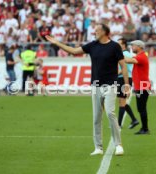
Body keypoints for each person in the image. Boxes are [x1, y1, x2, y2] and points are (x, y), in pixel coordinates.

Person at [45, 23, 130, 156]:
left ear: (104, 32)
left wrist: (126, 85)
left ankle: (118, 144)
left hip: (111, 85)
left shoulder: (115, 46)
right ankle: (98, 147)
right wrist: (57, 43)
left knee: (110, 113)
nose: (94, 32)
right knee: (96, 117)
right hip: (95, 86)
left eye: (96, 30)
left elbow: (123, 66)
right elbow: (73, 51)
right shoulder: (92, 45)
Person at [125, 40, 151, 135]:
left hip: (142, 86)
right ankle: (144, 128)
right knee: (141, 108)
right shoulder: (141, 56)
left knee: (141, 108)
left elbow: (128, 60)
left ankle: (145, 129)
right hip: (141, 86)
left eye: (133, 45)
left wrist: (117, 54)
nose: (131, 47)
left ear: (139, 46)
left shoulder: (142, 56)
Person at [117, 38, 139, 129]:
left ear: (124, 45)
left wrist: (116, 73)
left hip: (124, 79)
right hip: (122, 78)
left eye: (119, 44)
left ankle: (118, 124)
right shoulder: (124, 54)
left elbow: (124, 69)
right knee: (122, 101)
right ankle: (134, 119)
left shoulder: (124, 54)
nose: (117, 46)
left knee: (122, 102)